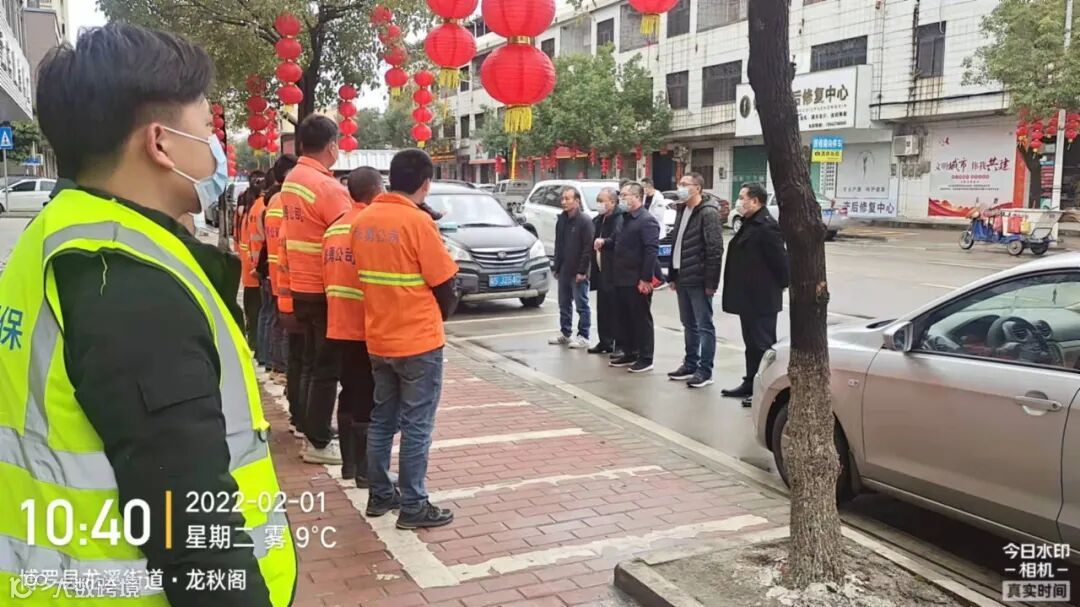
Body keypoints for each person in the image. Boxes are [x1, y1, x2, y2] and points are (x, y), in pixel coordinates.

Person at [0, 23, 296, 605]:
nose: (215, 147)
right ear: (161, 144)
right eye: (207, 129)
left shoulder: (59, 236)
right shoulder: (128, 279)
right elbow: (191, 530)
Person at [352, 149, 459, 530]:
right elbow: (445, 282)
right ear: (425, 184)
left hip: (379, 338)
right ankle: (413, 504)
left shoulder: (362, 221)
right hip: (418, 342)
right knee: (417, 425)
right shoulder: (417, 222)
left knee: (383, 419)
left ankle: (380, 494)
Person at [280, 114, 352, 464]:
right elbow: (349, 234)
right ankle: (319, 442)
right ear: (332, 146)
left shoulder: (293, 179)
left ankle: (310, 429)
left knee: (311, 362)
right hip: (324, 288)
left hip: (300, 286)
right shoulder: (327, 188)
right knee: (325, 369)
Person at [323, 166, 384, 486]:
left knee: (348, 392)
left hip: (337, 323)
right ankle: (364, 470)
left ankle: (349, 465)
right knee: (367, 398)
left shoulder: (333, 229)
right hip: (365, 325)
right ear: (377, 190)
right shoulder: (370, 226)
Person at [722, 182, 790, 407]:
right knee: (751, 345)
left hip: (762, 298)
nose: (739, 201)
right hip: (748, 298)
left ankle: (765, 390)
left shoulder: (767, 226)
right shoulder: (749, 222)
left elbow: (781, 263)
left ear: (755, 201)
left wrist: (780, 285)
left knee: (762, 346)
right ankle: (750, 382)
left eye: (742, 197)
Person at [668, 172, 725, 389]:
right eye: (679, 183)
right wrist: (672, 275)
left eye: (685, 184)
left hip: (699, 279)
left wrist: (711, 283)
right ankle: (690, 363)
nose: (680, 187)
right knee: (688, 324)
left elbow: (715, 249)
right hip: (682, 276)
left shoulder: (708, 213)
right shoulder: (682, 209)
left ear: (698, 188)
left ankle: (705, 370)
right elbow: (677, 244)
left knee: (704, 326)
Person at [610, 182, 660, 373]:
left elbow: (651, 251)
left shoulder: (646, 221)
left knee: (641, 319)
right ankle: (630, 352)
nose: (621, 199)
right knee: (625, 318)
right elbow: (617, 241)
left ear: (637, 197)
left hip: (637, 279)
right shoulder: (624, 219)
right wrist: (604, 242)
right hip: (621, 277)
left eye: (625, 195)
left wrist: (645, 279)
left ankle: (646, 357)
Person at [261, 154, 298, 381]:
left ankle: (276, 366)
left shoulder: (273, 201)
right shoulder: (287, 201)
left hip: (273, 271)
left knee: (276, 321)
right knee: (285, 327)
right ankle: (281, 368)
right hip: (286, 274)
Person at [549, 186, 594, 349]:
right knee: (564, 303)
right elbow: (558, 245)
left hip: (578, 272)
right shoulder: (561, 219)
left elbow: (588, 249)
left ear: (577, 201)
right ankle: (565, 333)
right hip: (564, 270)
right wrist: (556, 267)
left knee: (581, 304)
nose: (564, 202)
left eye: (567, 199)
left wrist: (582, 271)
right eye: (562, 199)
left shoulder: (585, 221)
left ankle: (584, 335)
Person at [589, 187, 624, 355]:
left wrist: (605, 242)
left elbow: (617, 240)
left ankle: (619, 344)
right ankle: (605, 341)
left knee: (615, 310)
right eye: (598, 201)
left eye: (602, 201)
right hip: (601, 270)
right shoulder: (598, 220)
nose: (599, 204)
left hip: (614, 271)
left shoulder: (619, 219)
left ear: (612, 202)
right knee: (602, 309)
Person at [239, 171, 266, 351]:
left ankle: (254, 344)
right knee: (260, 313)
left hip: (249, 267)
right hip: (258, 270)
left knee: (255, 313)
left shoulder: (251, 208)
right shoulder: (262, 208)